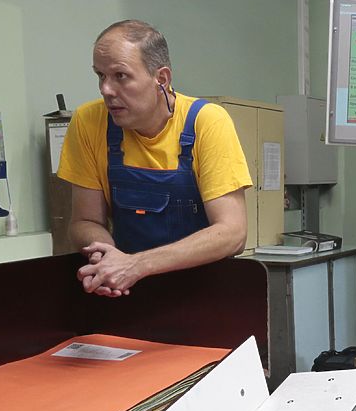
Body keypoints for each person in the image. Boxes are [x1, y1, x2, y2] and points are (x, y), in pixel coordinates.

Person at [58, 19, 251, 297]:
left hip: (204, 295)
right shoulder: (88, 122)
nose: (106, 89)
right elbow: (84, 221)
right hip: (128, 293)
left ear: (161, 78)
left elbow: (232, 233)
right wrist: (106, 258)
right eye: (100, 75)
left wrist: (136, 265)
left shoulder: (206, 122)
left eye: (120, 76)